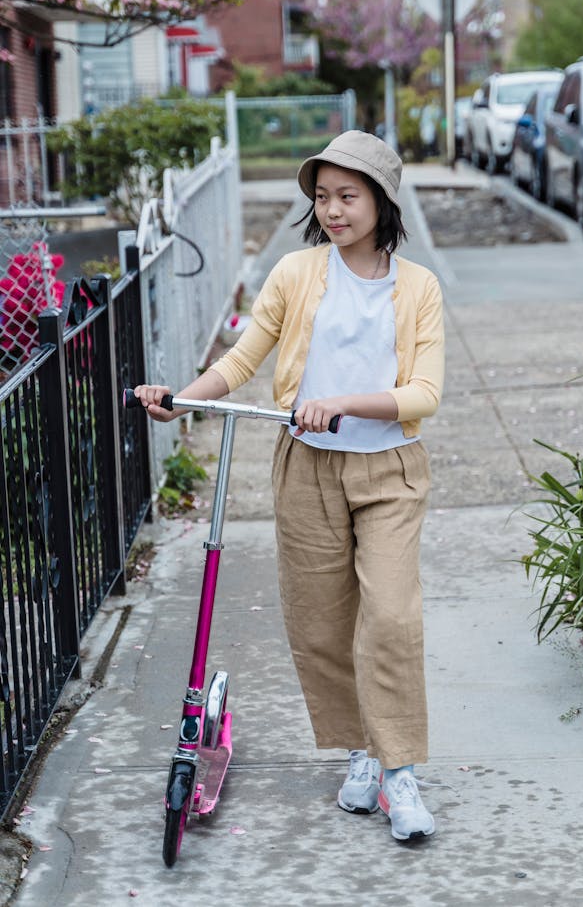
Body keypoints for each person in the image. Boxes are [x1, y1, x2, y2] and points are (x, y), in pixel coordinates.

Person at [134, 131, 445, 843]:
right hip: (306, 466)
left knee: (391, 615)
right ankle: (365, 752)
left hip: (388, 468)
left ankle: (401, 771)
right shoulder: (297, 273)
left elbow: (423, 393)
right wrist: (185, 397)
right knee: (322, 622)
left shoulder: (418, 287)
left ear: (381, 201)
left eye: (348, 195)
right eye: (323, 196)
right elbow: (244, 357)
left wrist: (346, 403)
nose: (332, 209)